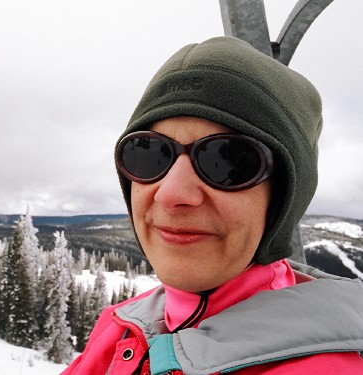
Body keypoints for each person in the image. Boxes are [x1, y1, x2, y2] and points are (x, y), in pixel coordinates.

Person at [62, 36, 363, 375]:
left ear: (283, 199)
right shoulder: (121, 326)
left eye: (227, 160)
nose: (171, 193)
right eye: (148, 153)